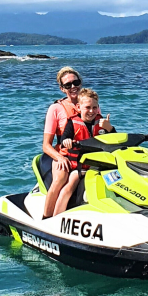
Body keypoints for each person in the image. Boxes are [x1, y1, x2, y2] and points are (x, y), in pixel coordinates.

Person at [53, 88, 113, 217]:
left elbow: (114, 141)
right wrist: (67, 141)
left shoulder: (102, 123)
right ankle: (56, 217)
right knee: (70, 184)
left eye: (94, 108)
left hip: (98, 166)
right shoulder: (72, 122)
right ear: (79, 107)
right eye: (87, 107)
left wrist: (110, 128)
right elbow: (64, 138)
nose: (91, 111)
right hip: (80, 167)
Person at [41, 67, 87, 219]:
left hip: (85, 155)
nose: (73, 87)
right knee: (60, 178)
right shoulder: (56, 109)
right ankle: (46, 218)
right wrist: (60, 158)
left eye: (76, 82)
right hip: (64, 155)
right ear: (62, 89)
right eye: (68, 85)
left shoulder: (89, 105)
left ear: (80, 83)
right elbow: (46, 145)